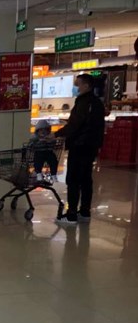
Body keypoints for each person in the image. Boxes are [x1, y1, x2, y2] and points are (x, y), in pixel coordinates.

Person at [56, 73, 106, 225]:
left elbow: (75, 124)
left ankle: (71, 214)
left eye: (78, 85)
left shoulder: (83, 102)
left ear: (86, 85)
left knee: (73, 179)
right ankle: (85, 211)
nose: (76, 88)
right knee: (85, 179)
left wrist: (57, 134)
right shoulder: (97, 102)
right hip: (91, 146)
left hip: (79, 145)